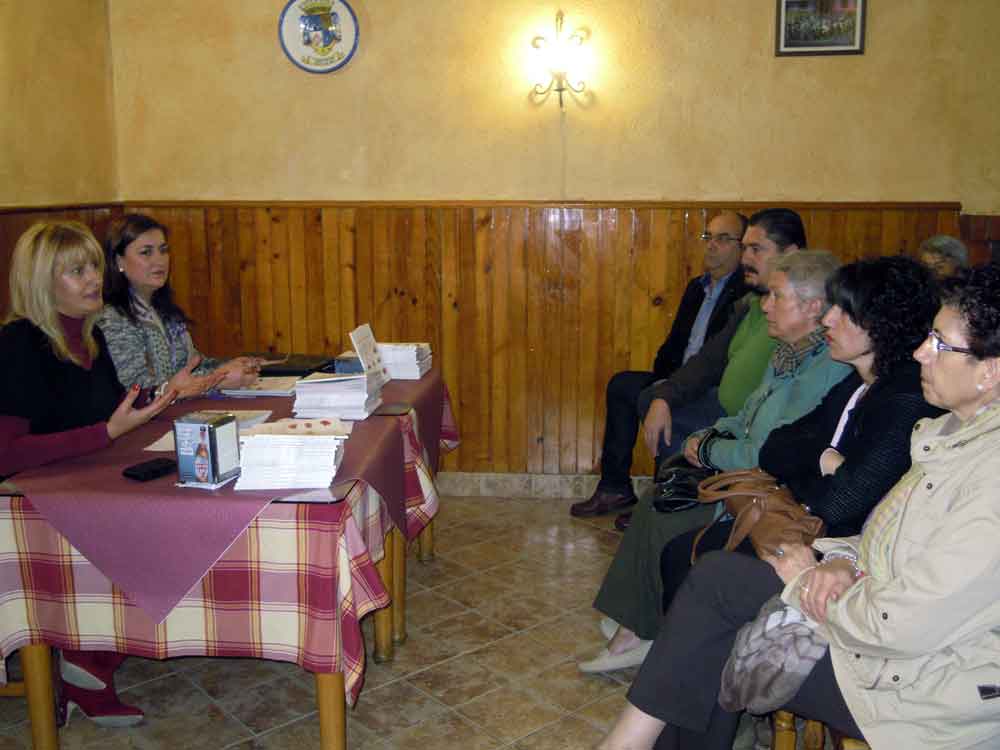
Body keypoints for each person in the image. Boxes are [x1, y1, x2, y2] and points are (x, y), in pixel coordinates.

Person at [598, 262, 1000, 750]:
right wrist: (843, 562)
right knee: (715, 578)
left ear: (991, 371)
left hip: (919, 689)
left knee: (710, 640)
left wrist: (806, 580)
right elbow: (864, 517)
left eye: (939, 343)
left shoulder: (981, 471)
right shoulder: (948, 434)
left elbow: (899, 625)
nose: (921, 351)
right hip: (881, 627)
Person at [579, 251, 851, 673]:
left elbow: (766, 450)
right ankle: (636, 619)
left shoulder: (824, 370)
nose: (764, 305)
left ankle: (646, 632)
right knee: (661, 493)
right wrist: (708, 436)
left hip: (769, 493)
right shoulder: (789, 354)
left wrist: (708, 450)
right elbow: (746, 416)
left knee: (671, 513)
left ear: (813, 307)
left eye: (776, 297)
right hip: (744, 472)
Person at [659, 255, 943, 612]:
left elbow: (840, 503)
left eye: (843, 310)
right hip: (804, 522)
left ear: (881, 323)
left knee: (697, 562)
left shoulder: (906, 400)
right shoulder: (857, 383)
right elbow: (775, 449)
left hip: (840, 552)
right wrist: (827, 461)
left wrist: (816, 467)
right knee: (682, 552)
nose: (827, 319)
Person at [0, 221, 177, 726]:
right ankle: (86, 661)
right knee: (150, 529)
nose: (92, 279)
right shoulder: (17, 347)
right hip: (26, 500)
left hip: (84, 480)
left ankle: (95, 653)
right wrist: (106, 432)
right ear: (42, 281)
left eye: (93, 267)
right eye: (75, 271)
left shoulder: (91, 336)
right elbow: (6, 452)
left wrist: (150, 405)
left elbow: (106, 415)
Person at [569, 211, 749, 518]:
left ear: (743, 248)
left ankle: (661, 500)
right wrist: (665, 378)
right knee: (623, 385)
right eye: (708, 237)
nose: (711, 246)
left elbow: (720, 360)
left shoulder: (746, 295)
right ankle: (615, 489)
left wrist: (668, 389)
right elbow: (674, 344)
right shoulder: (697, 287)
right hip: (678, 377)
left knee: (657, 400)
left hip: (709, 384)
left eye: (723, 239)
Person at [98, 213, 259, 398]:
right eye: (146, 252)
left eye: (163, 250)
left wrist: (232, 366)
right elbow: (139, 392)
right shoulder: (113, 320)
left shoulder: (164, 311)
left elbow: (193, 365)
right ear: (119, 261)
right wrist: (218, 378)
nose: (159, 260)